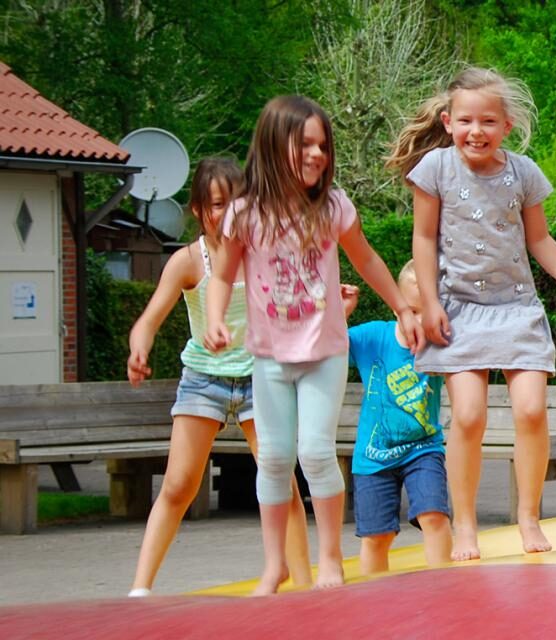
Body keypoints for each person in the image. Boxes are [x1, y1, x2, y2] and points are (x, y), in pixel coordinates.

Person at [205, 95, 422, 594]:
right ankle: (274, 564)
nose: (316, 154)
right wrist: (215, 318)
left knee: (317, 453)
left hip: (324, 351)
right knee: (276, 458)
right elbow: (222, 275)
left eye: (323, 145)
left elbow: (366, 261)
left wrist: (402, 307)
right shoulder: (244, 214)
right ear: (271, 144)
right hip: (269, 357)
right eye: (304, 144)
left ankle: (330, 560)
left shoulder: (332, 207)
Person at [387, 67, 556, 559]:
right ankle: (466, 527)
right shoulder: (435, 169)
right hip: (458, 310)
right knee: (469, 416)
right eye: (464, 121)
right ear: (447, 121)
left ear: (506, 126)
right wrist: (431, 301)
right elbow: (424, 238)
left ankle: (528, 517)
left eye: (487, 121)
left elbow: (538, 238)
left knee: (530, 410)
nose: (475, 131)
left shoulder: (522, 173)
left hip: (517, 308)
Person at [124, 157, 312, 596]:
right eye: (215, 204)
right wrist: (140, 347)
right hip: (203, 380)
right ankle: (139, 588)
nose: (226, 212)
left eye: (236, 202)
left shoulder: (268, 255)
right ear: (196, 210)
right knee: (178, 485)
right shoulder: (188, 261)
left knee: (280, 480)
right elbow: (149, 319)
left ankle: (304, 584)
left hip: (259, 380)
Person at [344, 261, 451, 572]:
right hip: (373, 456)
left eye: (428, 311)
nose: (421, 320)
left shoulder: (441, 343)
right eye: (413, 311)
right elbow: (328, 343)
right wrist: (342, 312)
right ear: (396, 309)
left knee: (434, 516)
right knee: (378, 536)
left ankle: (448, 586)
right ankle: (375, 599)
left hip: (424, 449)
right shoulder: (373, 337)